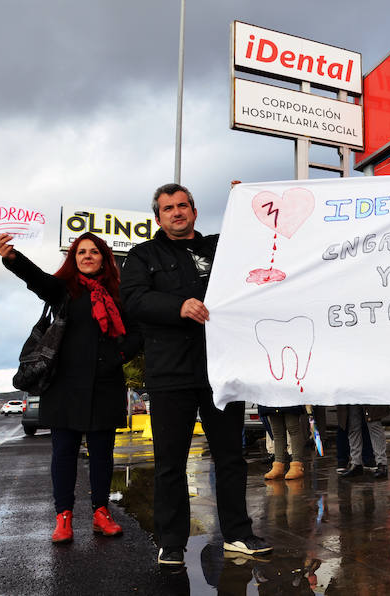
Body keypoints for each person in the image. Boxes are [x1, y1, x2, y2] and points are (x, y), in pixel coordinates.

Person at [121, 183, 271, 565]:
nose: (177, 212)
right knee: (170, 462)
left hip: (221, 369)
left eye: (183, 205)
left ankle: (238, 534)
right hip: (170, 373)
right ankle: (171, 542)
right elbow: (134, 300)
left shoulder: (219, 247)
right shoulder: (142, 255)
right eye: (168, 208)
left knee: (230, 457)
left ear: (195, 210)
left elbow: (259, 237)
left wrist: (247, 199)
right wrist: (178, 305)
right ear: (158, 217)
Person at [0, 231, 141, 543]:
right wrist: (12, 258)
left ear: (105, 257)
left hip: (104, 385)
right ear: (73, 259)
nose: (87, 256)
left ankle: (101, 513)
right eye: (81, 252)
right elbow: (38, 279)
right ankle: (64, 517)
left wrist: (118, 355)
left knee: (103, 454)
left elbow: (135, 334)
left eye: (93, 251)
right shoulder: (63, 291)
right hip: (63, 386)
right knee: (63, 454)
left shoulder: (119, 294)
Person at [337, 405, 389, 479]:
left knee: (373, 424)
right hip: (352, 395)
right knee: (353, 425)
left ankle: (382, 463)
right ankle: (356, 462)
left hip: (368, 396)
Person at [261, 406, 306, 480]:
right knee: (277, 431)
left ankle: (296, 464)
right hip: (272, 399)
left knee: (293, 427)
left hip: (288, 399)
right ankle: (278, 465)